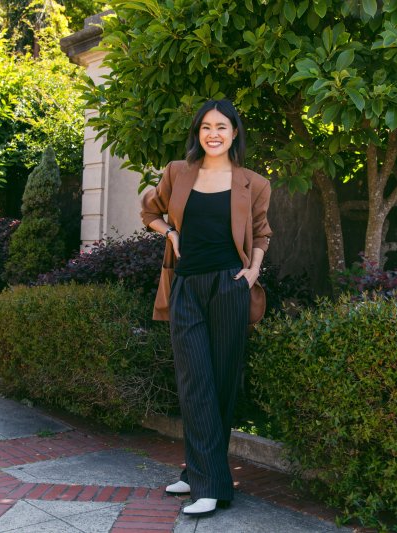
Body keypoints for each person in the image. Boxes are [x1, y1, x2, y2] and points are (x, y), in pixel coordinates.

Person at [140, 99, 272, 517]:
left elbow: (262, 234)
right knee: (194, 379)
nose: (213, 134)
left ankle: (206, 479)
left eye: (222, 127)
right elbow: (150, 211)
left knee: (221, 381)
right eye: (205, 127)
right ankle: (204, 476)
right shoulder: (178, 173)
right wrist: (171, 234)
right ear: (198, 133)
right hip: (186, 287)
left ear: (235, 133)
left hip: (229, 287)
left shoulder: (253, 182)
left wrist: (252, 272)